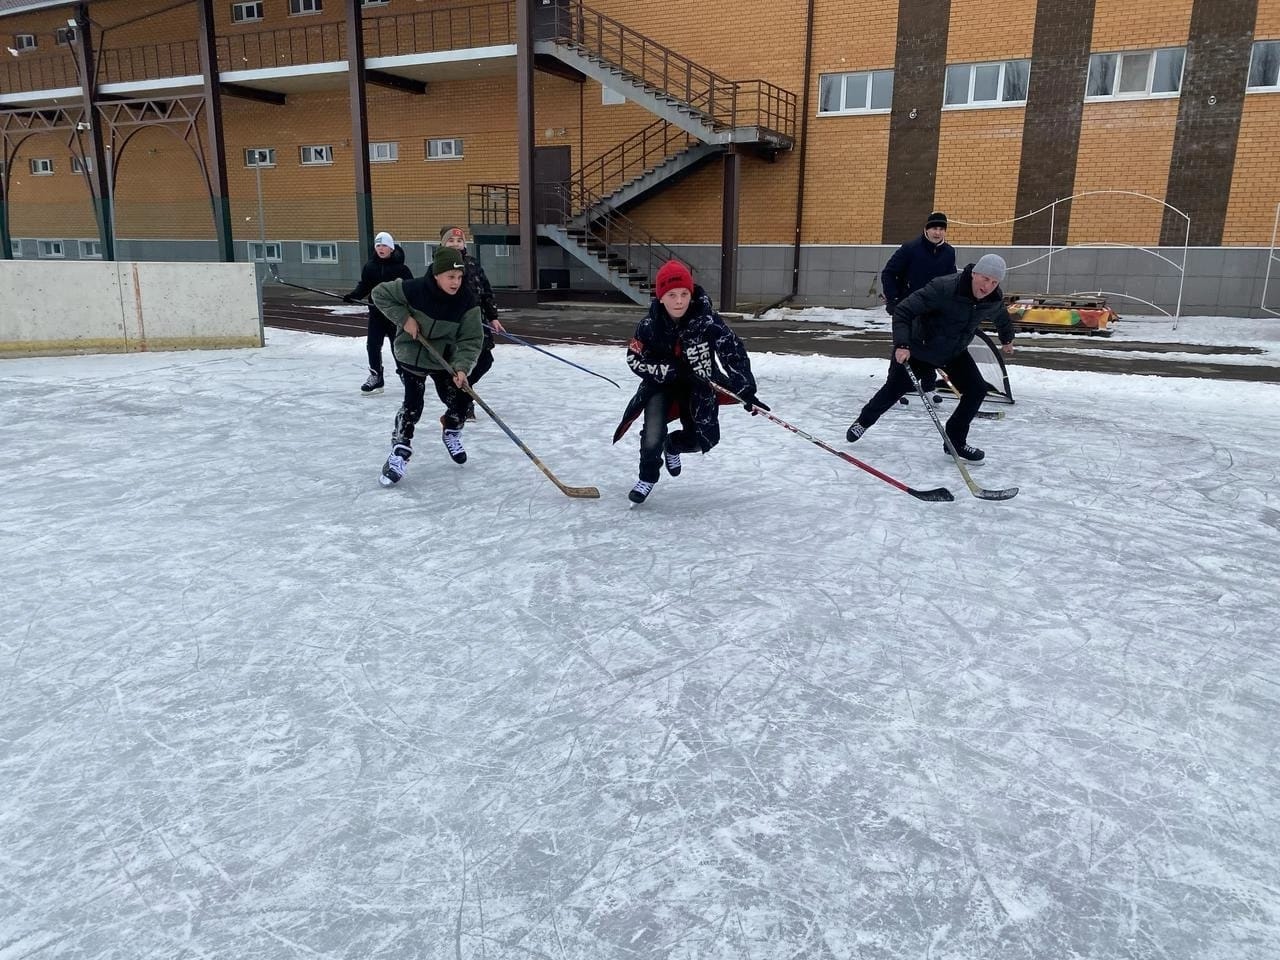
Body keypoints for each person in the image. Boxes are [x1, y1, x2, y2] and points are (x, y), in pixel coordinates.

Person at [614, 259, 767, 504]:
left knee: (704, 439)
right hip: (660, 387)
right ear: (661, 297)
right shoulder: (648, 326)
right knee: (652, 434)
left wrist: (745, 389)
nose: (679, 301)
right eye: (672, 294)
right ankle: (648, 477)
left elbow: (733, 352)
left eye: (684, 293)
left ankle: (673, 445)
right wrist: (668, 370)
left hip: (699, 387)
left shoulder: (707, 322)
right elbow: (634, 358)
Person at [846, 253, 1015, 462]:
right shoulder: (944, 287)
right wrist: (902, 344)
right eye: (985, 279)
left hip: (953, 352)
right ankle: (863, 421)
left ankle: (955, 441)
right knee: (894, 389)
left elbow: (1002, 317)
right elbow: (904, 311)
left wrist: (1007, 338)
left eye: (994, 282)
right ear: (974, 273)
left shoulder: (993, 299)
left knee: (976, 390)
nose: (988, 286)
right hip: (919, 349)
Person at [370, 245, 484, 486]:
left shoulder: (467, 301)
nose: (456, 282)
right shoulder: (414, 288)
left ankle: (451, 430)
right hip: (410, 355)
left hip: (444, 359)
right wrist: (405, 318)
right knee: (413, 404)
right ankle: (400, 450)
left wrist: (462, 367)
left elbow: (471, 340)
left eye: (459, 277)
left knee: (461, 401)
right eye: (450, 277)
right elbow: (379, 294)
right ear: (436, 275)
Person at [439, 225, 503, 419]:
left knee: (485, 360)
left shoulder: (473, 264)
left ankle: (464, 395)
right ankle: (463, 402)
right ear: (444, 244)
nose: (456, 244)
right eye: (451, 241)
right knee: (461, 363)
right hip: (455, 325)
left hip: (478, 321)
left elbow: (485, 292)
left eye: (459, 241)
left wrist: (492, 317)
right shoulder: (440, 267)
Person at [345, 230, 413, 395]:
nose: (381, 248)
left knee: (397, 346)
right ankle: (376, 376)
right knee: (373, 345)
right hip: (376, 313)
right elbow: (364, 285)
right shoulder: (370, 266)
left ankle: (405, 374)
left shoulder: (401, 268)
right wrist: (354, 295)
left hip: (395, 315)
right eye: (378, 245)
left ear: (391, 248)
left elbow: (410, 289)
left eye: (384, 245)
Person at [880, 211, 956, 314]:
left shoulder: (949, 252)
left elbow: (951, 280)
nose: (937, 233)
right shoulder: (910, 248)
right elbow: (889, 273)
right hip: (910, 307)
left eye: (941, 229)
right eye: (934, 228)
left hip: (936, 311)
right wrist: (893, 299)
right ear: (926, 229)